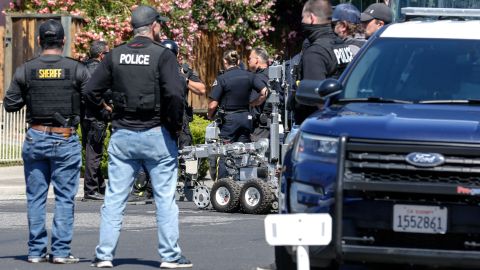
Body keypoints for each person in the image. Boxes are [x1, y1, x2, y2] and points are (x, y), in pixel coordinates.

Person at [85, 5, 192, 268]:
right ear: (154, 26)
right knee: (165, 199)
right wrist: (175, 126)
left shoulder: (114, 55)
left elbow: (90, 91)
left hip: (123, 134)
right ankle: (170, 257)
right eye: (160, 25)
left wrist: (108, 111)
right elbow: (176, 94)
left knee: (114, 199)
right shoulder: (163, 55)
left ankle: (104, 255)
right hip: (157, 133)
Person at [3, 19, 89, 264]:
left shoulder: (26, 69)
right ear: (63, 40)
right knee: (64, 198)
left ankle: (35, 251)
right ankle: (60, 252)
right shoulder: (77, 69)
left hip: (36, 137)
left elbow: (10, 105)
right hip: (65, 138)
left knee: (36, 197)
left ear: (39, 41)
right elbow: (91, 99)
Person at [208, 49, 267, 179]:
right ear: (238, 61)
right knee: (244, 152)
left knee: (225, 153)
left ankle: (222, 187)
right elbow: (264, 91)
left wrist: (210, 115)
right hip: (246, 118)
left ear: (225, 61)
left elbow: (212, 104)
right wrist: (255, 103)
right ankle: (243, 184)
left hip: (229, 120)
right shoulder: (250, 76)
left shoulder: (222, 78)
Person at [292, 0, 353, 125]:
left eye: (303, 17)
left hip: (318, 123)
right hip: (343, 115)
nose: (302, 21)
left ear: (311, 18)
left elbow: (317, 98)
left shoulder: (315, 52)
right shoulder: (341, 44)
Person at [82, 40, 111, 201]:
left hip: (85, 117)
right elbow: (93, 92)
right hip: (96, 117)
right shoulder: (100, 70)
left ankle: (100, 187)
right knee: (94, 153)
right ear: (101, 55)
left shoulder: (83, 67)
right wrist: (106, 106)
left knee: (92, 151)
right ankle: (90, 190)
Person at [247, 47, 273, 141]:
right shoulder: (273, 75)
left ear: (257, 60)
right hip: (272, 124)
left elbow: (261, 95)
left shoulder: (257, 78)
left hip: (259, 127)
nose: (248, 60)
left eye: (250, 58)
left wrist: (253, 103)